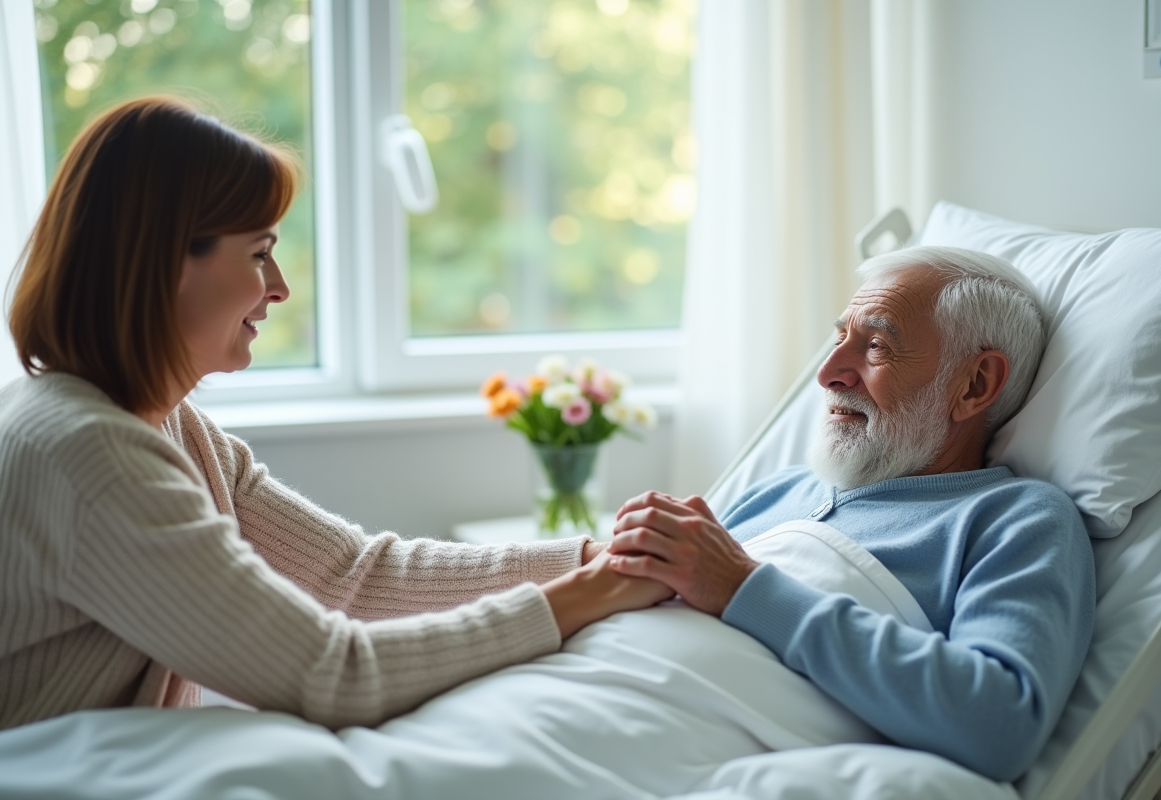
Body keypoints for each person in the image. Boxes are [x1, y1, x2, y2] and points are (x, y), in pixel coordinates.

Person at [0, 96, 670, 732]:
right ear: (163, 262)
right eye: (259, 254)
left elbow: (354, 574)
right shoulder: (88, 457)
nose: (279, 287)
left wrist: (592, 557)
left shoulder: (167, 427)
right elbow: (333, 676)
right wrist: (592, 592)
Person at [607, 246, 1096, 782]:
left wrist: (742, 586)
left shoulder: (1015, 518)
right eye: (840, 338)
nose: (828, 373)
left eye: (877, 346)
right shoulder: (778, 491)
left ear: (974, 384)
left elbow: (998, 722)